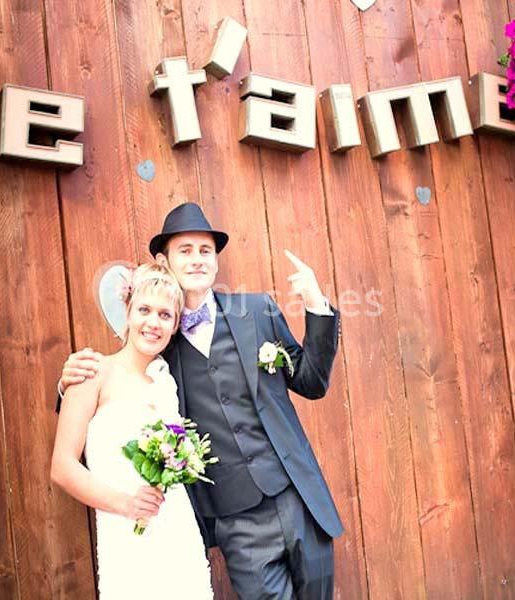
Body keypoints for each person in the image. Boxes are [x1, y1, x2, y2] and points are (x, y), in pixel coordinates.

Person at [58, 203, 342, 599]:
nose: (197, 259)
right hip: (234, 521)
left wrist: (316, 305)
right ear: (164, 262)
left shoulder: (257, 310)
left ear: (216, 260)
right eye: (185, 250)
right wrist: (67, 384)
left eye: (205, 250)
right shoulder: (159, 342)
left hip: (296, 498)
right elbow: (121, 388)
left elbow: (311, 382)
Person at [50, 262, 213, 599]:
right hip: (124, 533)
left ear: (175, 325)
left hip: (177, 531)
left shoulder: (166, 382)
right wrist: (126, 505)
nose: (153, 323)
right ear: (127, 311)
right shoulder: (92, 371)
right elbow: (62, 467)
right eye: (144, 310)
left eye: (165, 315)